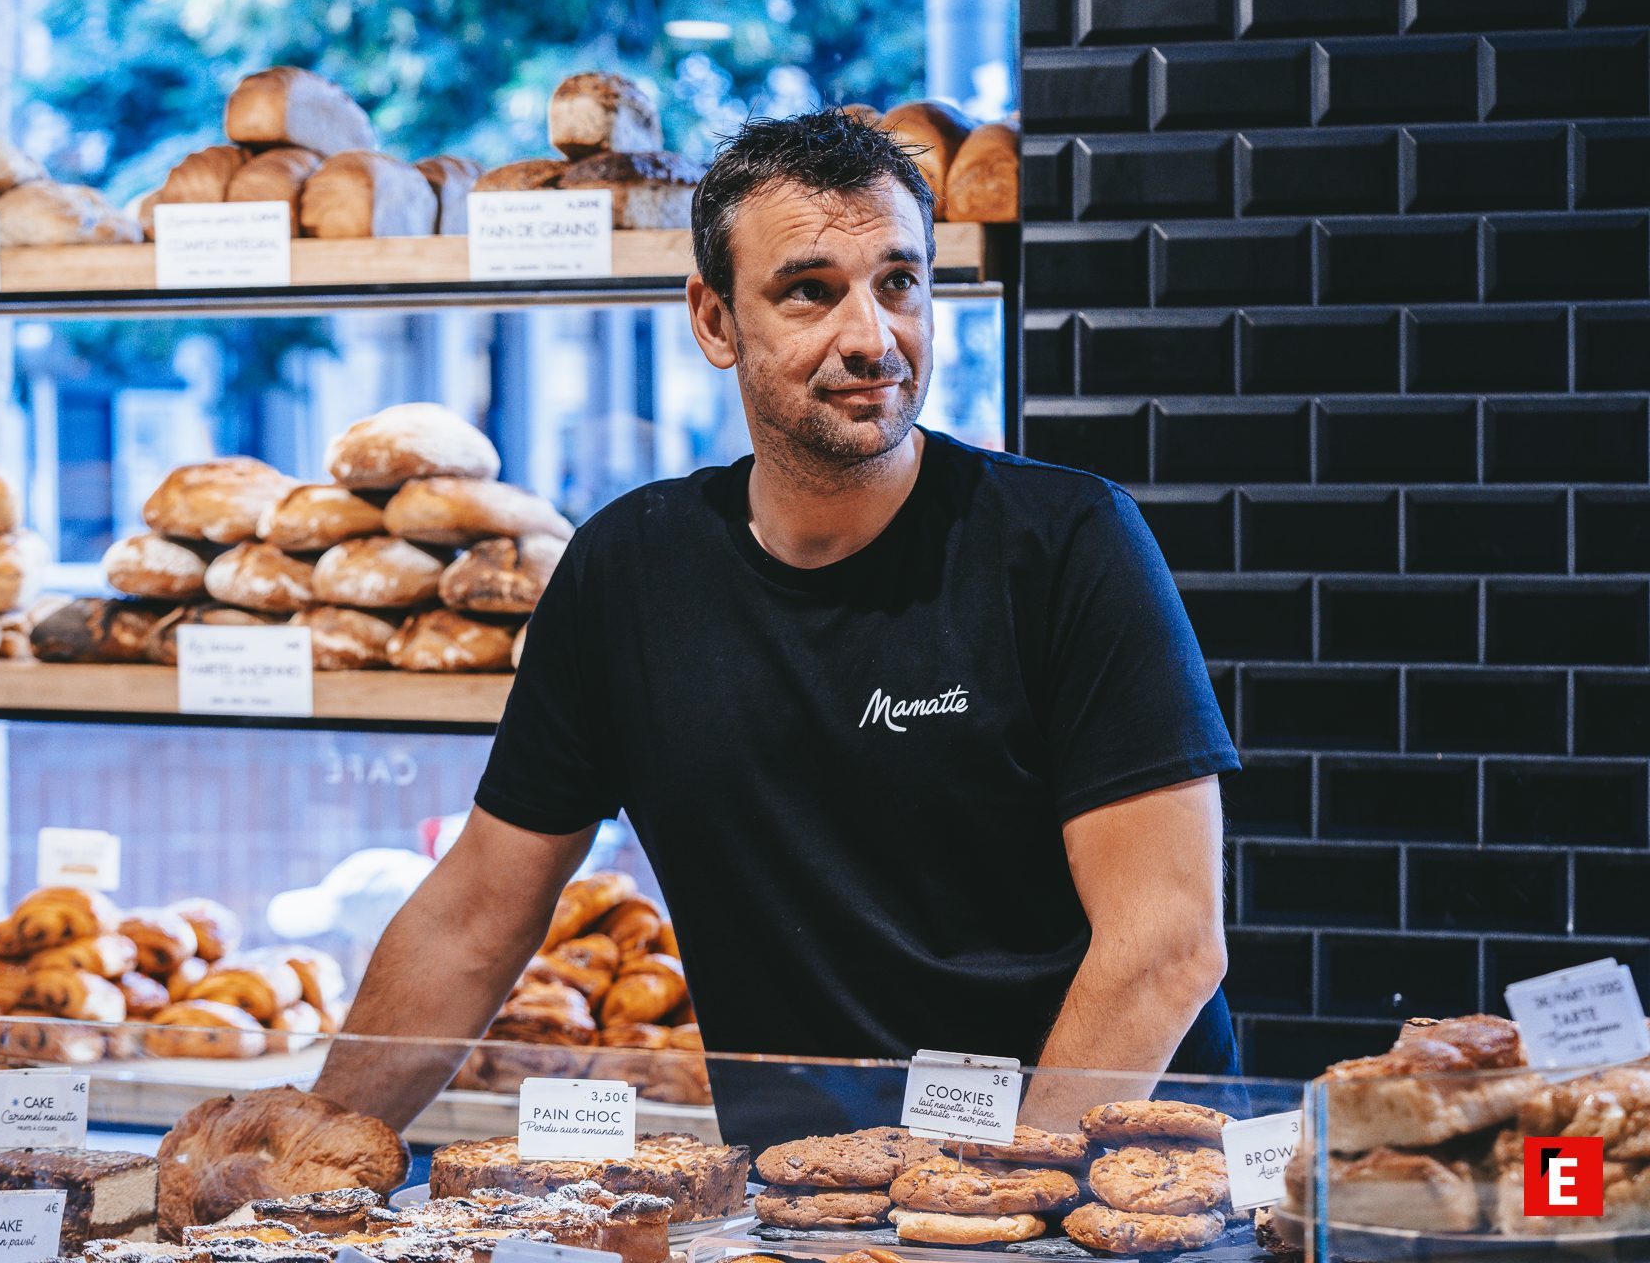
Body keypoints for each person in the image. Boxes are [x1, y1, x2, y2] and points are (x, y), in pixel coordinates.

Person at [313, 110, 1239, 1146]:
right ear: (713, 321)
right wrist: (307, 1146)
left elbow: (1167, 941)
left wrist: (998, 1208)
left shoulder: (1067, 540)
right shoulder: (630, 572)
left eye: (899, 282)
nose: (870, 336)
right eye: (810, 290)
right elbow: (475, 915)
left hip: (1107, 1187)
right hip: (808, 1203)